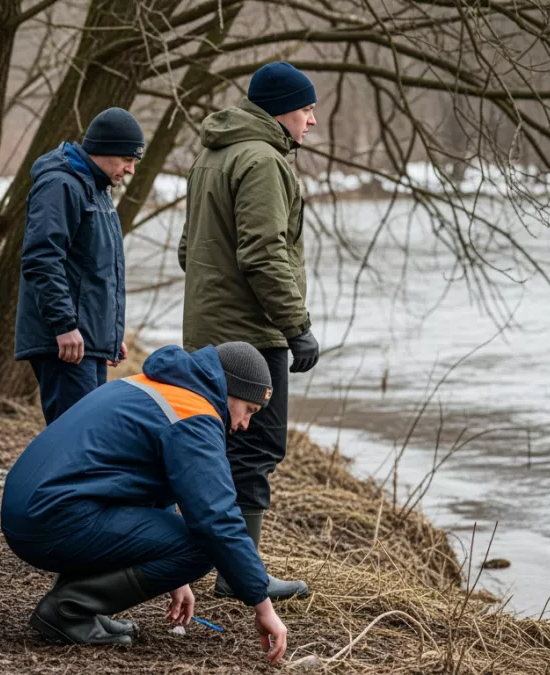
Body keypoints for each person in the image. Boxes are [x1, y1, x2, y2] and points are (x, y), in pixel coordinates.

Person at [2, 342, 289, 665]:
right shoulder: (196, 415)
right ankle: (70, 609)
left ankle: (77, 602)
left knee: (191, 538)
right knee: (202, 546)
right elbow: (216, 519)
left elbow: (151, 488)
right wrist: (262, 605)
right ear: (229, 389)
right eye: (248, 410)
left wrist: (176, 577)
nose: (244, 424)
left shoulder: (158, 385)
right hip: (49, 520)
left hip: (31, 510)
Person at [178, 62, 321, 600]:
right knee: (257, 448)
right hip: (251, 339)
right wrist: (296, 326)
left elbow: (187, 251)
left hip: (208, 331)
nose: (311, 120)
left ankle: (203, 565)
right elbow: (264, 252)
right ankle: (242, 577)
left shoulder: (212, 154)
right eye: (307, 109)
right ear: (283, 109)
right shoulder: (262, 160)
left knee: (211, 447)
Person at [14, 107, 144, 423]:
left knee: (87, 436)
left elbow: (95, 272)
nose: (130, 170)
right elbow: (42, 259)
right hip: (66, 342)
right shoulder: (60, 185)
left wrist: (109, 335)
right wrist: (63, 324)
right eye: (127, 159)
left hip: (86, 341)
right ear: (105, 149)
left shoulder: (95, 189)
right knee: (76, 439)